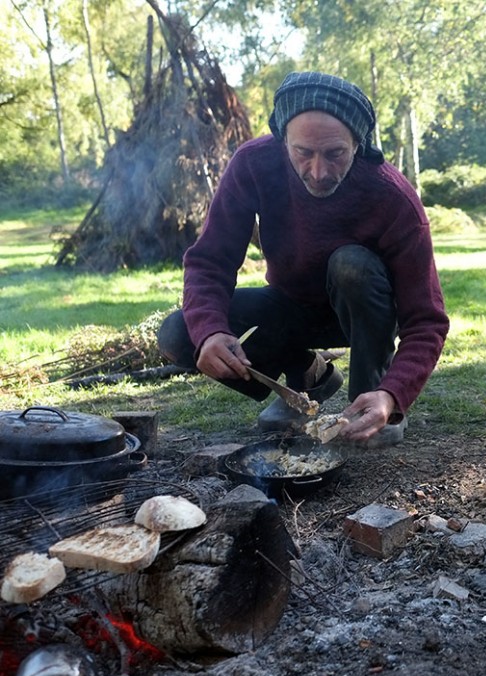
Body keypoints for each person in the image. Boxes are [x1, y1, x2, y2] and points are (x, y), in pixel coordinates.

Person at [158, 71, 449, 447]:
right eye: (303, 153)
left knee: (350, 265)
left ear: (357, 143)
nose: (318, 172)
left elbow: (426, 321)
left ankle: (370, 398)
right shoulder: (253, 164)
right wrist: (211, 332)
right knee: (182, 333)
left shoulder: (391, 197)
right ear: (283, 141)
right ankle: (307, 375)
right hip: (290, 306)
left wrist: (392, 394)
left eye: (335, 154)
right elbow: (209, 262)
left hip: (365, 313)